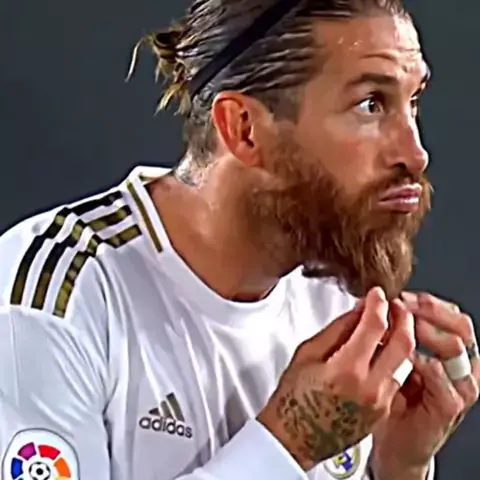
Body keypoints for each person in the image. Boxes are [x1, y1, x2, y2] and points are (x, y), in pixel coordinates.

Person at [0, 0, 478, 479]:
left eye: (413, 102)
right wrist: (290, 442)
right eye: (370, 104)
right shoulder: (50, 299)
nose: (416, 153)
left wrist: (399, 468)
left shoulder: (337, 285)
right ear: (244, 130)